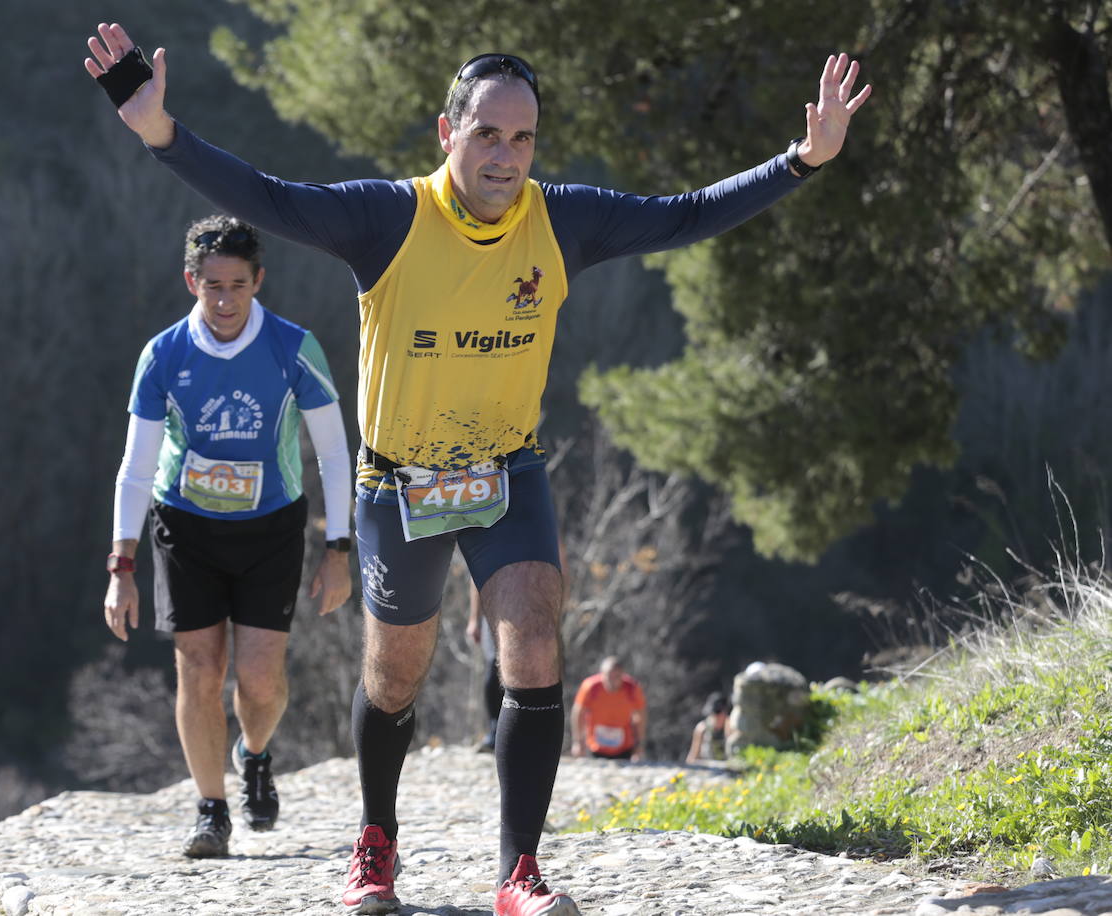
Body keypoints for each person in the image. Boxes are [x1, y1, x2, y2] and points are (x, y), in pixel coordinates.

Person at [86, 24, 871, 915]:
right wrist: (160, 133)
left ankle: (519, 870)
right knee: (394, 678)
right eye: (487, 134)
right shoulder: (389, 219)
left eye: (523, 137)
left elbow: (686, 214)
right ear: (446, 132)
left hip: (505, 474)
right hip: (401, 484)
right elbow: (267, 196)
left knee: (535, 643)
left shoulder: (560, 219)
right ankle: (375, 841)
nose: (506, 157)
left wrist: (802, 160)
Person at [101, 215, 353, 859]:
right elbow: (135, 465)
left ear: (257, 281)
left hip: (271, 525)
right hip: (185, 526)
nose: (224, 299)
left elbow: (333, 453)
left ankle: (256, 753)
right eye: (211, 285)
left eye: (237, 285)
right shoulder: (163, 355)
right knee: (199, 668)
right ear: (191, 281)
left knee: (260, 682)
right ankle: (211, 809)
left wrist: (339, 551)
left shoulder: (294, 348)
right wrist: (121, 564)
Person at [569, 657, 647, 761]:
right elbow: (578, 713)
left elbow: (640, 717)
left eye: (617, 676)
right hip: (595, 747)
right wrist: (578, 742)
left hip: (624, 748)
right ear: (602, 674)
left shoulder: (632, 689)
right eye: (609, 675)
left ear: (623, 675)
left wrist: (639, 745)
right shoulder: (590, 687)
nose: (613, 680)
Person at [466, 582, 503, 753]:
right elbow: (476, 578)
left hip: (531, 608)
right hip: (494, 611)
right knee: (494, 670)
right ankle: (496, 733)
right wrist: (475, 618)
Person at [686, 692, 730, 763]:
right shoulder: (702, 728)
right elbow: (693, 756)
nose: (716, 716)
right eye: (714, 713)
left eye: (718, 712)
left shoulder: (730, 726)